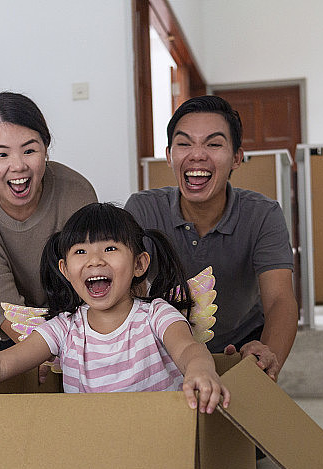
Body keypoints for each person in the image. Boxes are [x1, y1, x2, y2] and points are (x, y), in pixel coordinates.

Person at [0, 203, 229, 421]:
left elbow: (188, 348)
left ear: (139, 263)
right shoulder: (64, 329)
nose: (95, 260)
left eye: (110, 248)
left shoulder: (156, 315)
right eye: (81, 251)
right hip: (87, 454)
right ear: (65, 269)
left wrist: (201, 373)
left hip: (159, 441)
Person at [125, 95, 298, 382]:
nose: (197, 155)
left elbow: (280, 299)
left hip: (240, 347)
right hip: (164, 349)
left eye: (214, 144)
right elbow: (125, 294)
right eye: (184, 143)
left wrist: (267, 354)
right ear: (169, 155)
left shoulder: (263, 214)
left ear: (237, 158)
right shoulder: (142, 209)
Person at [0, 91, 97, 354]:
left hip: (63, 310)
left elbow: (88, 268)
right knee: (16, 388)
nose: (18, 166)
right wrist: (32, 347)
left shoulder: (76, 192)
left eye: (29, 150)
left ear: (45, 149)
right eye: (1, 155)